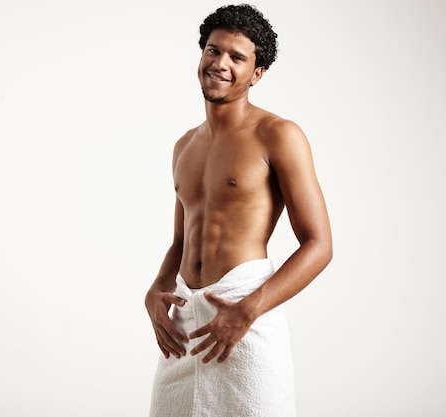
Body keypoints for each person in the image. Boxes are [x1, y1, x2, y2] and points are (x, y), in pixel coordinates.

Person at [145, 4, 332, 416]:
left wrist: (247, 310)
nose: (220, 64)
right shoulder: (185, 145)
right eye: (213, 51)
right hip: (184, 322)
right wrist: (157, 287)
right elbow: (181, 239)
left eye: (237, 57)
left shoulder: (278, 135)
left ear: (257, 72)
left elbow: (319, 245)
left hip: (246, 308)